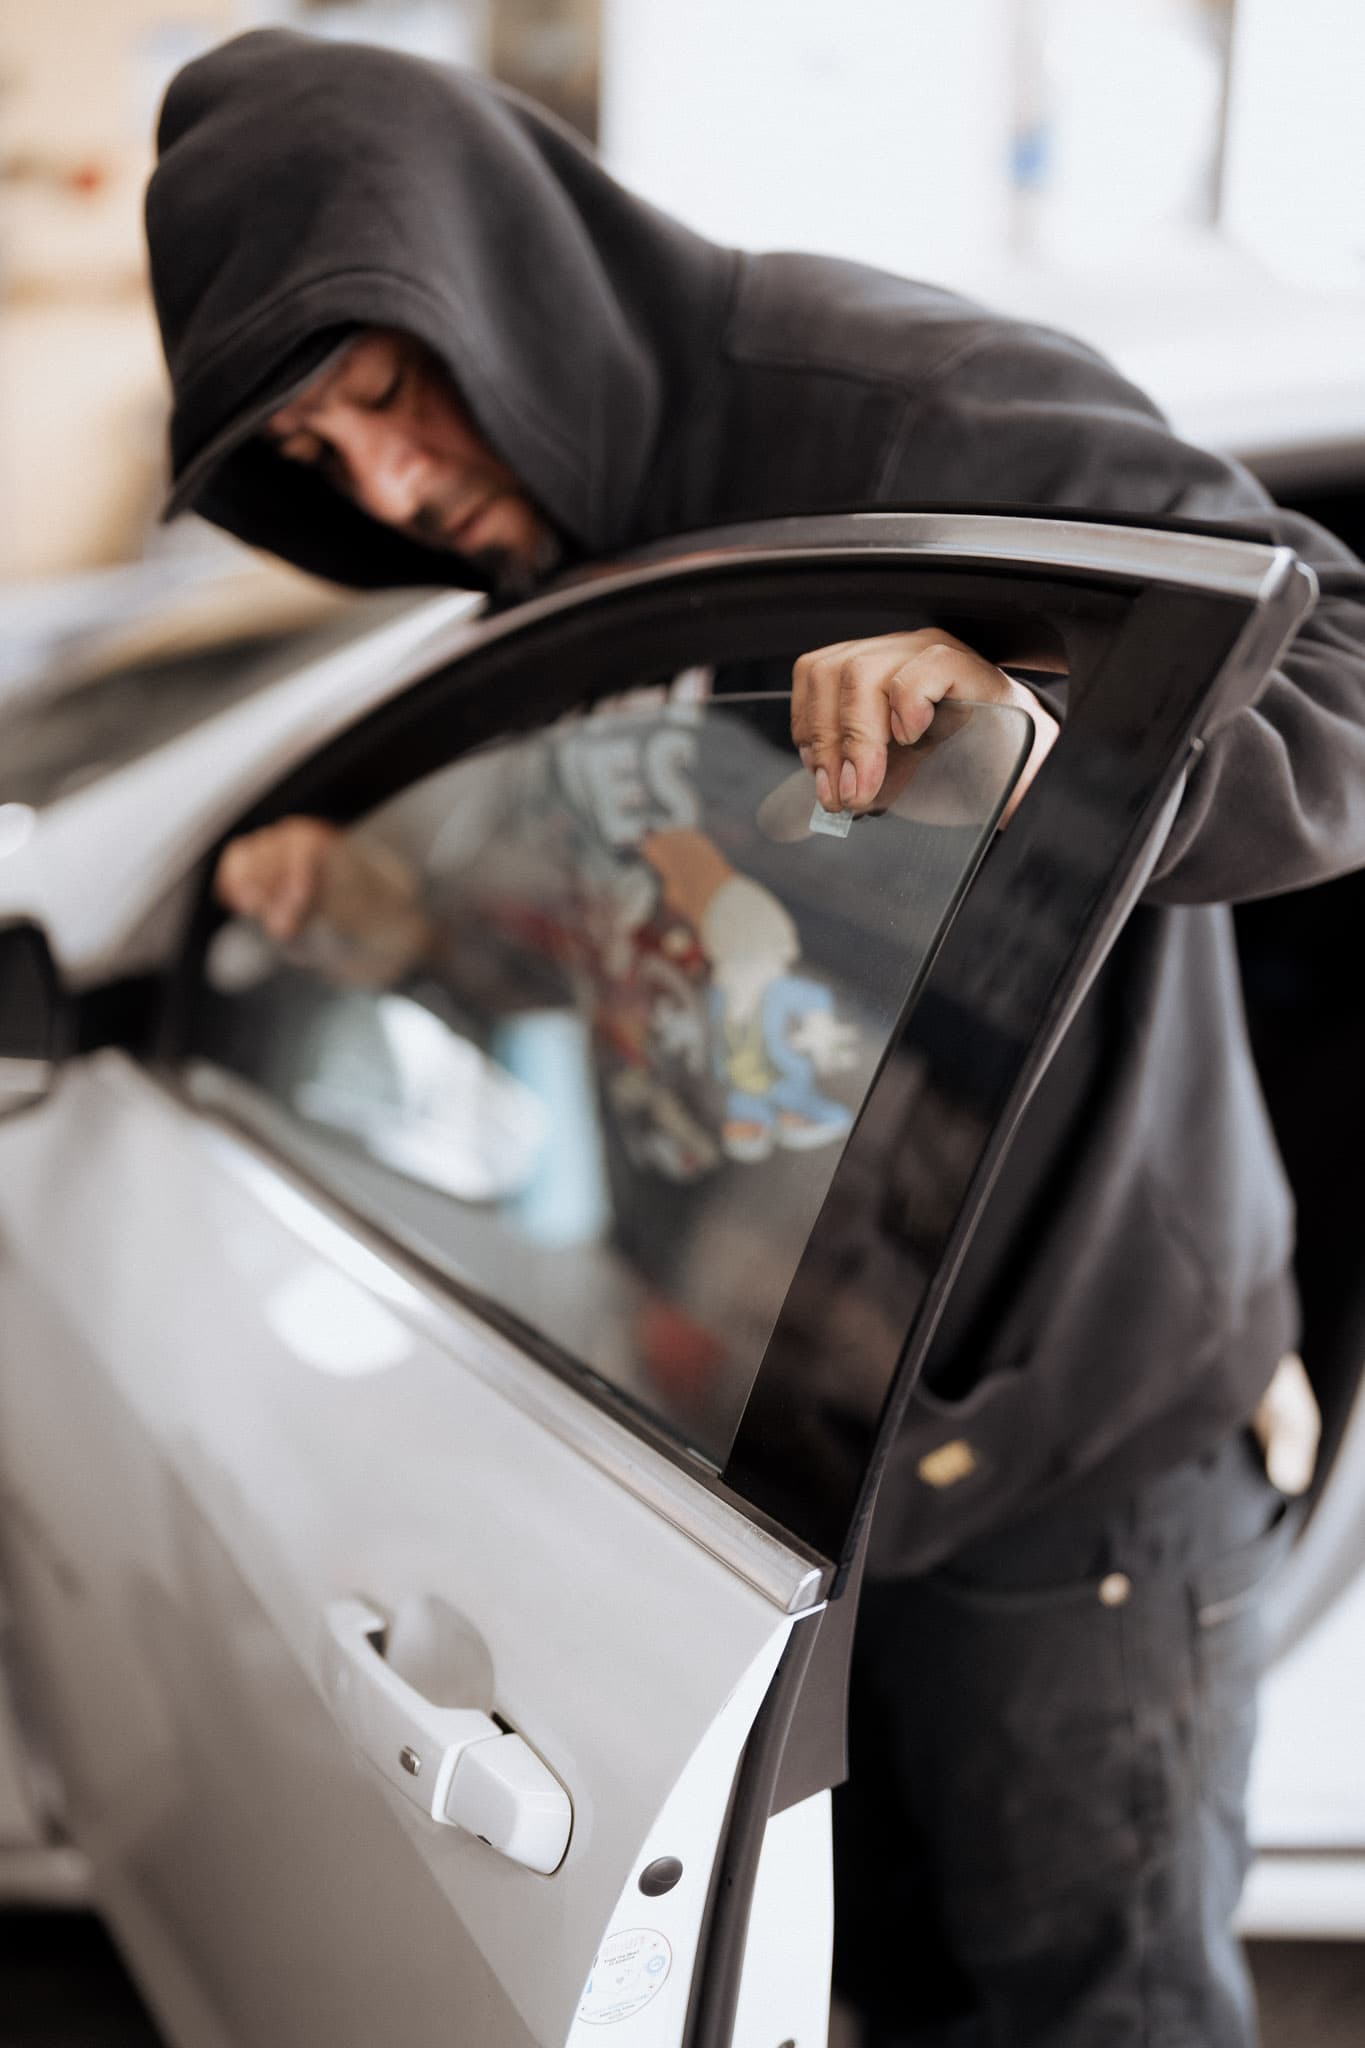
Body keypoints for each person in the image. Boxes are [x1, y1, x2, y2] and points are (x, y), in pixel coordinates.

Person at [144, 29, 1365, 2046]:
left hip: (1085, 1462)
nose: (381, 480)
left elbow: (1340, 656)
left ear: (488, 260)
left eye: (378, 384)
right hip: (813, 1465)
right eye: (309, 457)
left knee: (1093, 2009)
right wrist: (406, 915)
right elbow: (675, 954)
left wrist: (1042, 746)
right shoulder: (556, 546)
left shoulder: (887, 405)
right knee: (874, 1990)